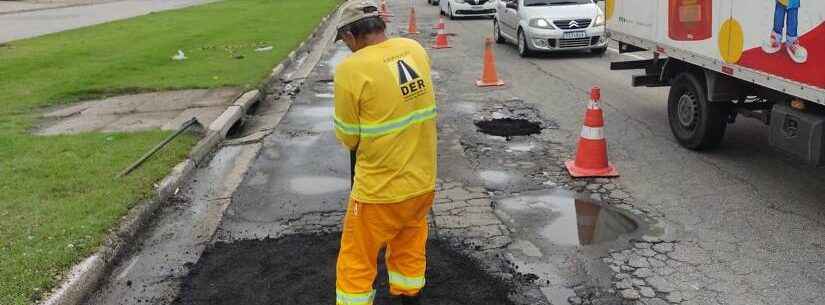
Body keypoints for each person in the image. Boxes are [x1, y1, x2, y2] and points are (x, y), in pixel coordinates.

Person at [332, 1, 438, 305]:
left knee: (356, 258)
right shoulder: (413, 49)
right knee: (409, 244)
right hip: (421, 182)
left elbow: (348, 136)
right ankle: (410, 296)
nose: (346, 48)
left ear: (351, 36)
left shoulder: (351, 68)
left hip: (378, 191)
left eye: (345, 42)